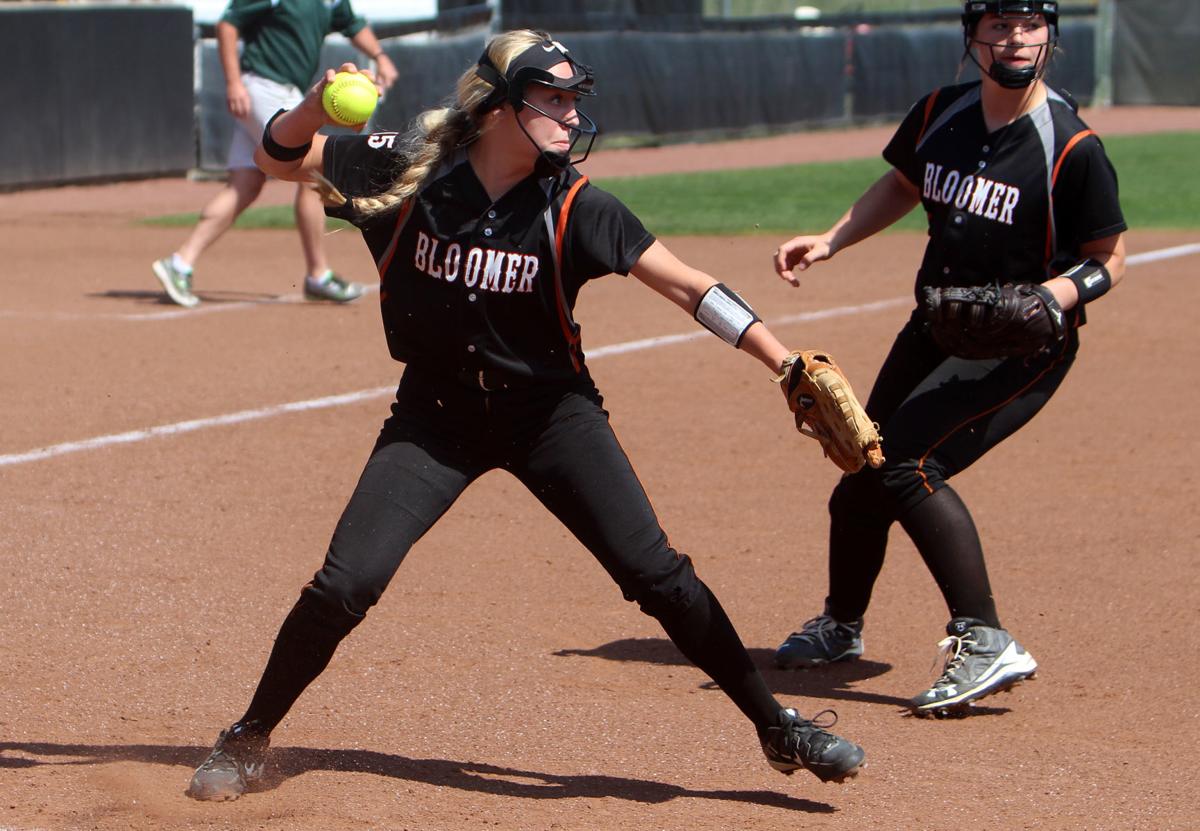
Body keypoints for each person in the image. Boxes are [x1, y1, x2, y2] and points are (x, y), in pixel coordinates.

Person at [184, 30, 866, 801]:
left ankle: (777, 725)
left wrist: (783, 361)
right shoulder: (409, 169)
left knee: (658, 576)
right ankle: (247, 737)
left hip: (551, 418)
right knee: (346, 583)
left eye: (575, 99)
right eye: (553, 98)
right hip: (435, 419)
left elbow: (687, 285)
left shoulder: (575, 205)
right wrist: (314, 104)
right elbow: (279, 159)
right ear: (499, 107)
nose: (572, 114)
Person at [770, 0, 1126, 718]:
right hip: (935, 325)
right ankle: (841, 626)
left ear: (1050, 37)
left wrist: (1050, 296)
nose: (1015, 39)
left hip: (1021, 344)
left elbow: (1108, 258)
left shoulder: (1071, 145)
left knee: (908, 463)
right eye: (999, 25)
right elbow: (904, 184)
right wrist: (832, 239)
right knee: (864, 465)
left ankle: (986, 636)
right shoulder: (939, 112)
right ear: (973, 36)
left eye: (1030, 25)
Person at [151, 0, 398, 307]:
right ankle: (318, 275)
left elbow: (352, 23)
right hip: (265, 87)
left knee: (244, 185)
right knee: (314, 172)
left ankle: (180, 263)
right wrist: (233, 83)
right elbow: (227, 25)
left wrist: (380, 57)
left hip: (282, 92)